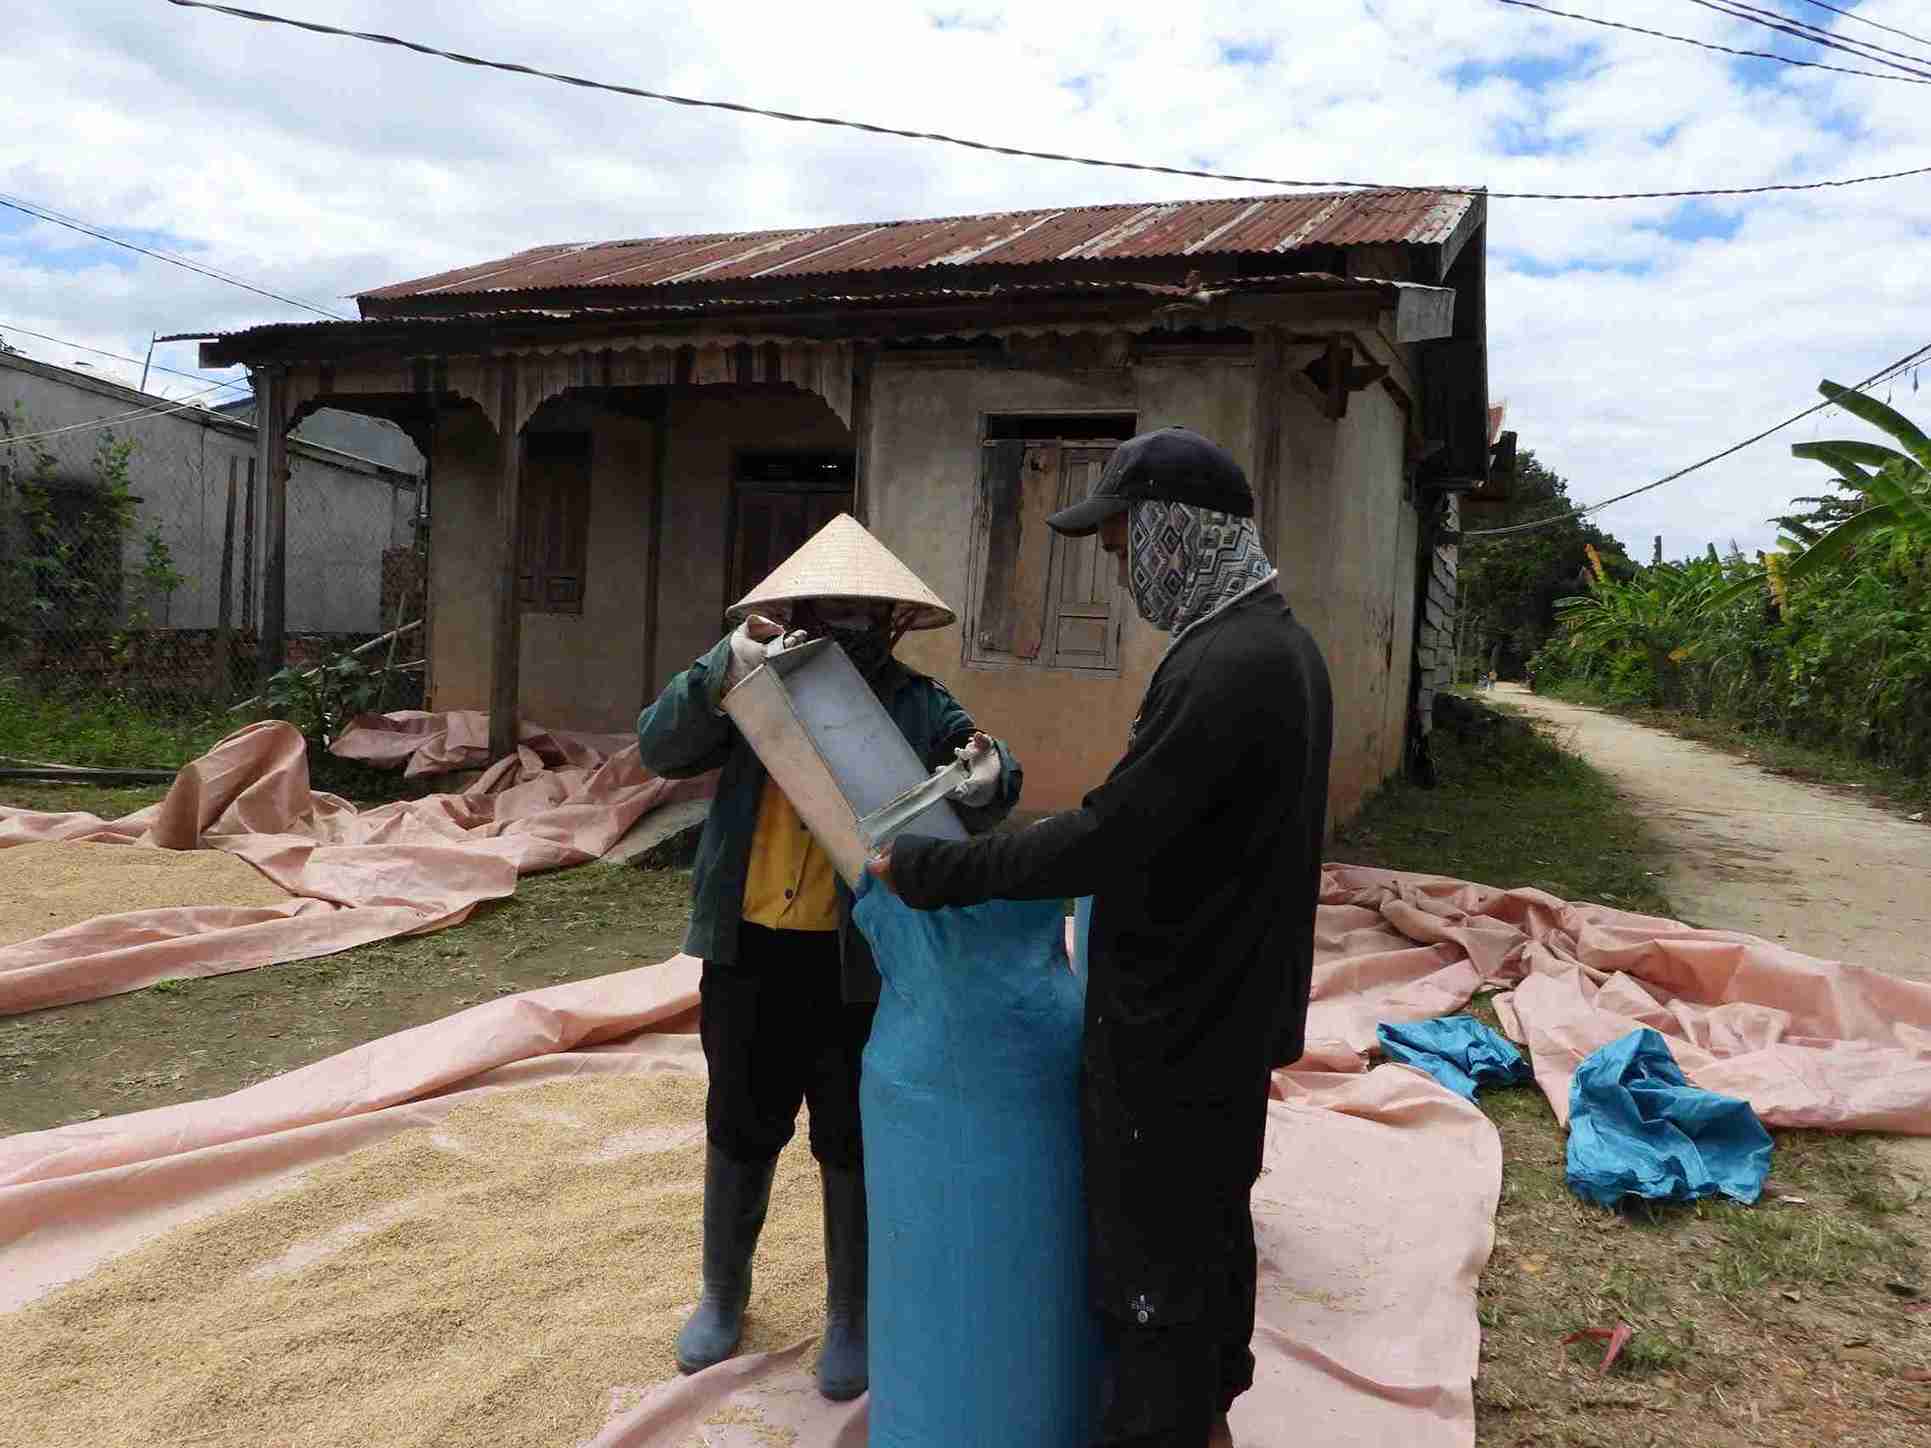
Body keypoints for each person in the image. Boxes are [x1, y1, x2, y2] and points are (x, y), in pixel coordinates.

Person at [870, 427, 1333, 1448]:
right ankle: (1206, 1414)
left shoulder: (1230, 664)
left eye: (1124, 547)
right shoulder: (1268, 642)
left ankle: (1171, 1423)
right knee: (1204, 1244)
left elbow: (1113, 836)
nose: (1120, 573)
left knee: (1152, 1282)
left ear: (1176, 532)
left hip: (1176, 1029)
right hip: (1224, 1009)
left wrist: (935, 869)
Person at [636, 514, 1022, 1402]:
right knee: (739, 1121)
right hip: (748, 952)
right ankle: (721, 1296)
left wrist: (988, 773)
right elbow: (661, 747)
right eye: (830, 605)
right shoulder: (751, 686)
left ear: (888, 621)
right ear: (800, 607)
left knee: (850, 1136)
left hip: (859, 966)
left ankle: (851, 1314)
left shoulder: (921, 707)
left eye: (864, 610)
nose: (848, 622)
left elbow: (989, 791)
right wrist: (723, 661)